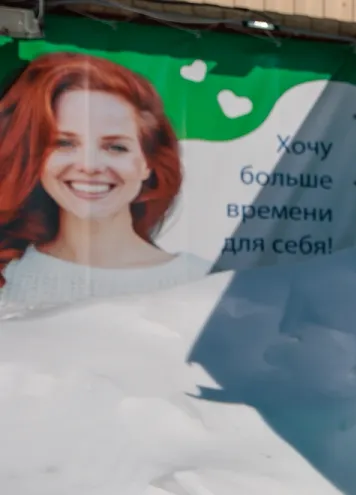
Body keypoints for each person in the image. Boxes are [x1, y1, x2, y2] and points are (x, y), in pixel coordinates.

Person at [0, 52, 210, 318]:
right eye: (64, 143)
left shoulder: (201, 280)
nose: (89, 166)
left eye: (115, 147)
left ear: (148, 162)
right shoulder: (9, 276)